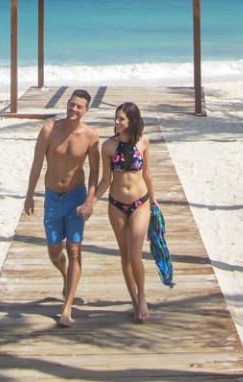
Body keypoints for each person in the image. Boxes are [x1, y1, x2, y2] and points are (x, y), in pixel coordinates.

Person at [23, 88, 101, 327]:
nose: (74, 109)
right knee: (55, 253)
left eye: (79, 106)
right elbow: (37, 164)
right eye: (71, 104)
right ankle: (65, 274)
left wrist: (89, 201)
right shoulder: (49, 130)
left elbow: (95, 173)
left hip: (75, 197)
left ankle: (67, 307)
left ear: (86, 110)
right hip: (52, 197)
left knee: (75, 249)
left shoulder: (90, 136)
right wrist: (29, 195)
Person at [93, 101, 158, 323]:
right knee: (124, 255)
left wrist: (154, 200)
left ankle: (142, 296)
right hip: (116, 205)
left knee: (134, 255)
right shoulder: (108, 146)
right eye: (116, 118)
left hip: (140, 203)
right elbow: (105, 180)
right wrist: (90, 203)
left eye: (121, 119)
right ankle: (133, 299)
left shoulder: (144, 141)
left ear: (132, 121)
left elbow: (147, 173)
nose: (117, 122)